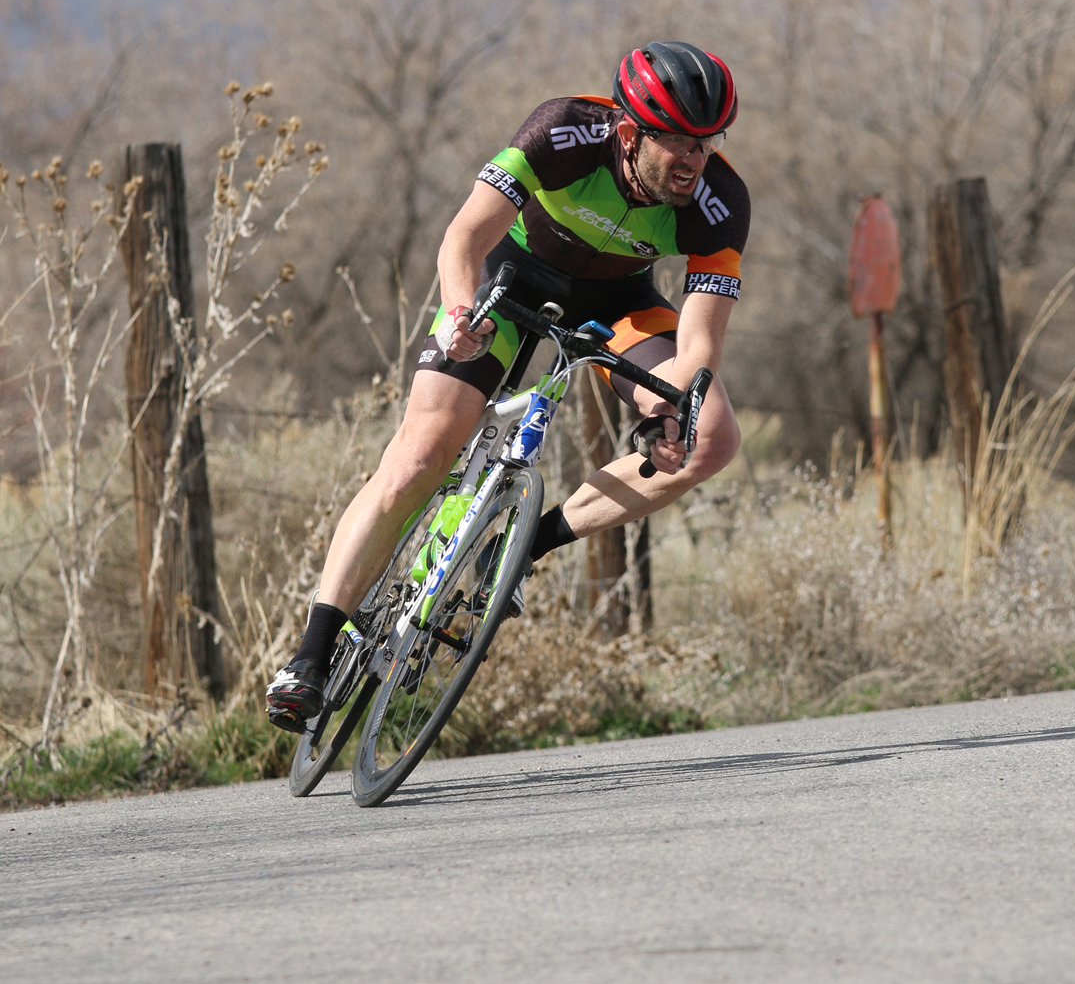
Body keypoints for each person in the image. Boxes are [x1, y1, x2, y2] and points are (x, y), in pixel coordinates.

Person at [266, 41, 749, 730]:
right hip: (508, 275)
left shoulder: (720, 199)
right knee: (420, 455)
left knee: (711, 438)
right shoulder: (563, 129)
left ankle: (526, 544)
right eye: (677, 141)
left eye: (707, 143)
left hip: (619, 303)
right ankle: (310, 657)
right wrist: (462, 313)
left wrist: (673, 408)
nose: (694, 161)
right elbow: (464, 236)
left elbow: (700, 340)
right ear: (629, 132)